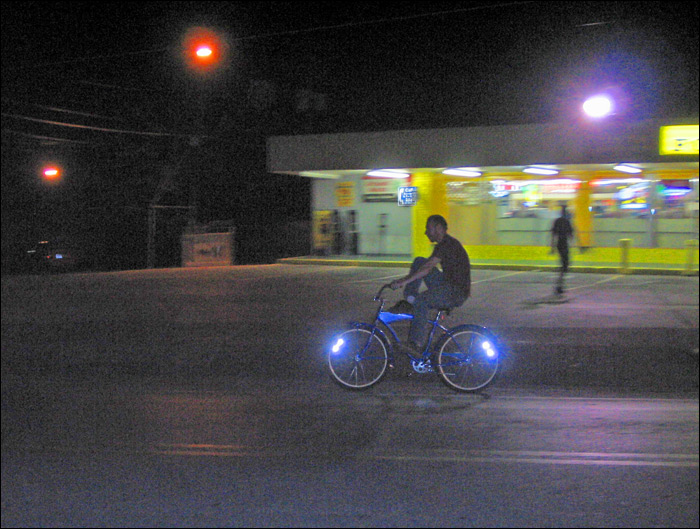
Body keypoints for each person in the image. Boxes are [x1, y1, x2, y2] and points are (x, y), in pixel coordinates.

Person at [389, 214, 471, 352]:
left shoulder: (448, 244)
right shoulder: (444, 244)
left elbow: (427, 269)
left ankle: (415, 344)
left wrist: (403, 281)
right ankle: (410, 299)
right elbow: (425, 266)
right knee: (419, 261)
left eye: (428, 228)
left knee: (421, 301)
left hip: (455, 292)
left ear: (438, 228)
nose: (426, 232)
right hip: (448, 285)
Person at [550, 205, 574, 295]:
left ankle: (560, 284)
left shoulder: (557, 221)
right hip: (564, 244)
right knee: (565, 265)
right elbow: (571, 235)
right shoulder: (567, 221)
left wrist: (552, 247)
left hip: (559, 245)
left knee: (564, 264)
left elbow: (553, 235)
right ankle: (559, 284)